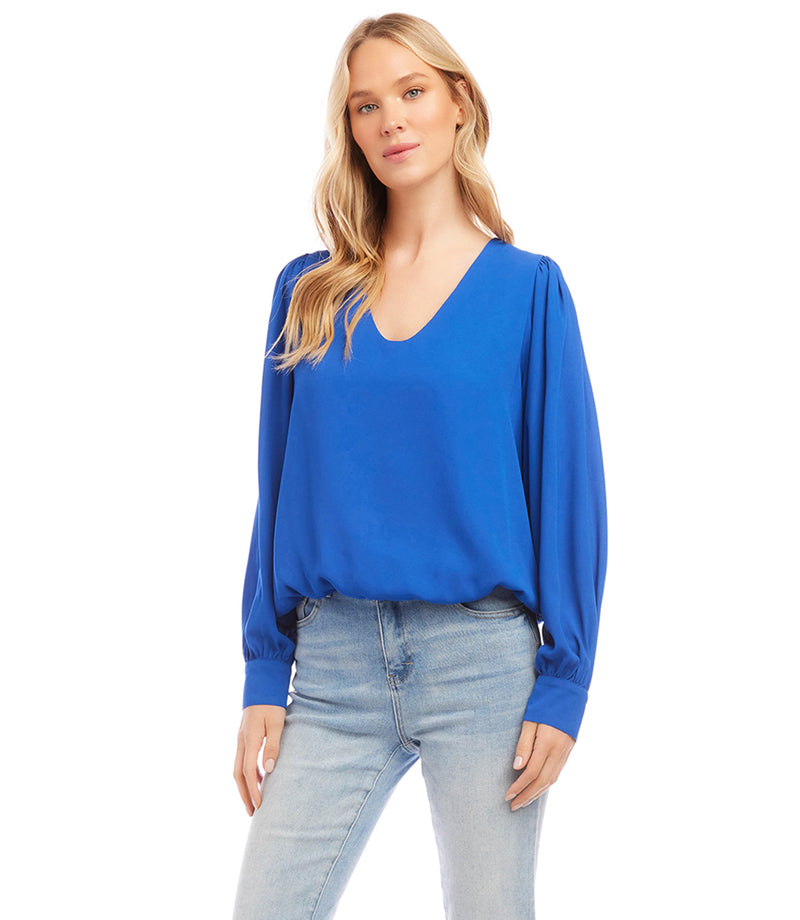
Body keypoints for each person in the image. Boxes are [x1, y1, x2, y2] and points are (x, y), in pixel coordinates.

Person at [231, 12, 608, 920]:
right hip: (331, 666)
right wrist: (263, 670)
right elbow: (275, 492)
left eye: (412, 92)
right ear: (351, 130)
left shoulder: (528, 291)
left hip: (483, 666)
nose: (391, 119)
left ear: (459, 103)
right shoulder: (308, 292)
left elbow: (570, 492)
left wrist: (566, 683)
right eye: (367, 105)